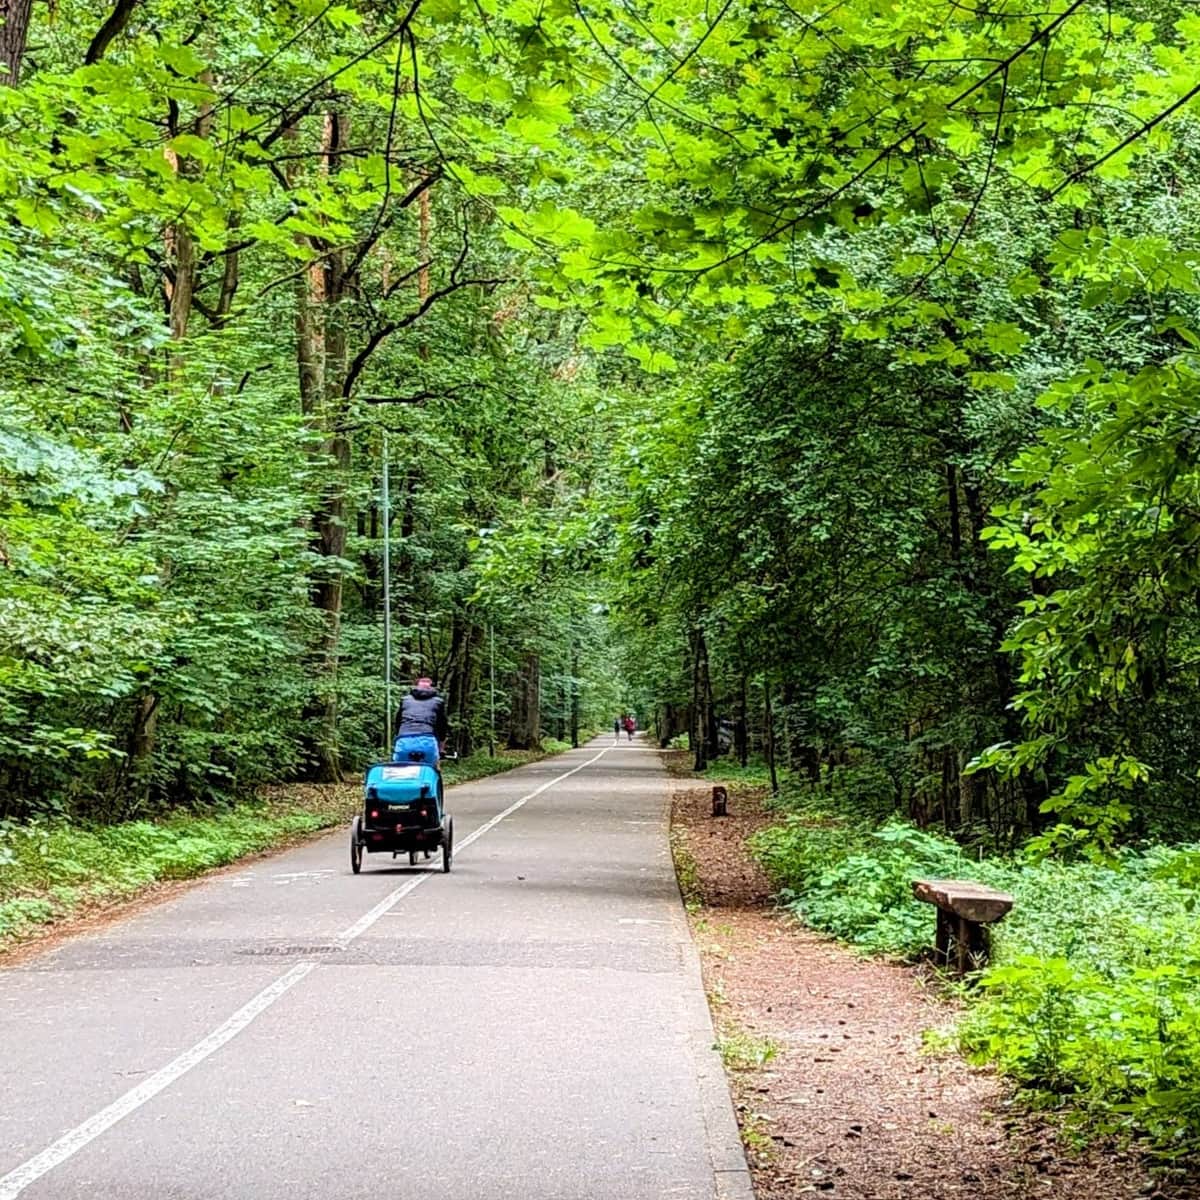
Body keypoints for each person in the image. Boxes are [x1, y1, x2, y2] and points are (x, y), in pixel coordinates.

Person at [393, 676, 448, 765]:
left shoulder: (405, 700)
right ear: (432, 687)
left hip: (404, 741)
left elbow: (397, 723)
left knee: (401, 770)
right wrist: (441, 748)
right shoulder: (438, 702)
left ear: (416, 687)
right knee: (433, 769)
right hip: (428, 741)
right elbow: (442, 726)